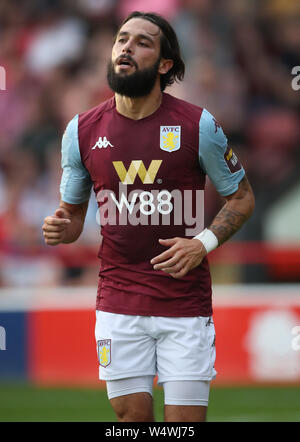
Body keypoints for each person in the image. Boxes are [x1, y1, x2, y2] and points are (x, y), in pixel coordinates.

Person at [42, 11, 255, 422]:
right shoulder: (81, 130)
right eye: (122, 38)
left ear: (164, 64)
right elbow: (71, 219)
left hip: (185, 303)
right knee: (132, 421)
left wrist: (202, 243)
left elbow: (242, 198)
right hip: (118, 299)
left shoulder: (198, 126)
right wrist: (60, 227)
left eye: (143, 41)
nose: (126, 46)